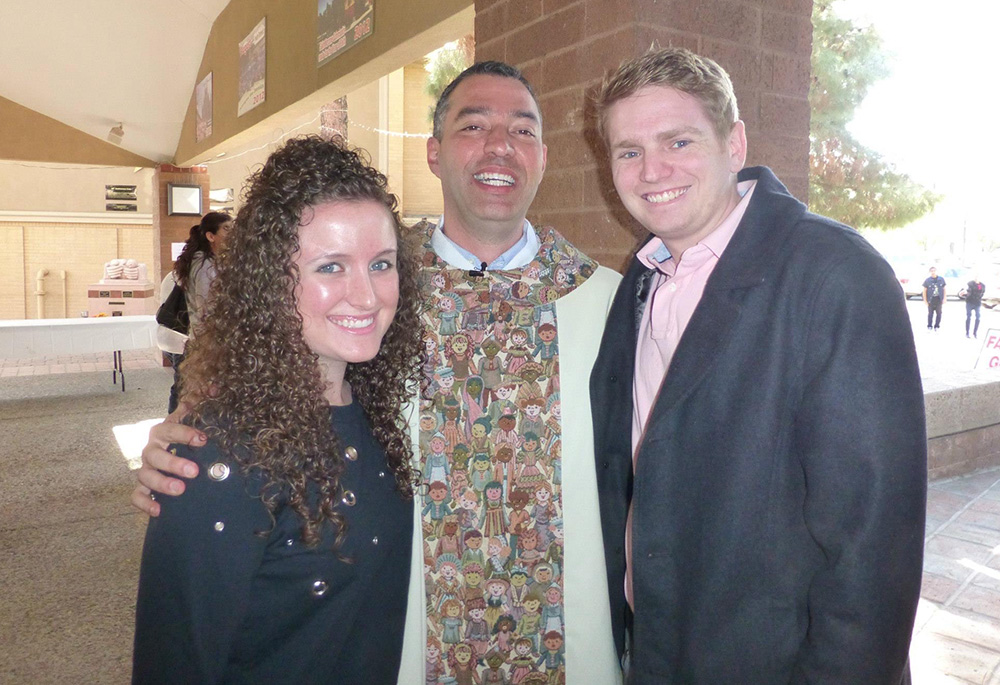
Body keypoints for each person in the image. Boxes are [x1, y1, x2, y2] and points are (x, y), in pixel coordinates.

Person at [132, 62, 623, 684]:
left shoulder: (610, 304)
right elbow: (269, 386)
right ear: (435, 153)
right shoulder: (381, 295)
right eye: (474, 125)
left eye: (522, 131)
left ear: (545, 158)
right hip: (401, 647)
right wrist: (186, 446)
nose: (500, 145)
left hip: (567, 640)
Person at [589, 48, 926, 683]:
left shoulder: (835, 274)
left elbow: (873, 545)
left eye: (678, 140)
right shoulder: (642, 276)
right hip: (658, 650)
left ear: (734, 142)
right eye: (627, 151)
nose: (651, 169)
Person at [132, 136, 422, 683]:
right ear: (270, 283)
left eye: (381, 263)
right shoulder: (215, 457)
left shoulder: (383, 415)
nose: (366, 295)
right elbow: (174, 661)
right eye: (331, 267)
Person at [164, 211, 232, 412]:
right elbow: (206, 308)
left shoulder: (215, 262)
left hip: (209, 340)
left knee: (189, 392)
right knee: (192, 396)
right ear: (211, 236)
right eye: (226, 229)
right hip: (206, 342)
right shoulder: (204, 265)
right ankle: (177, 434)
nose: (233, 234)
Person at [923, 265, 946, 331]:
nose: (933, 272)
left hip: (938, 298)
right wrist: (925, 301)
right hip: (931, 299)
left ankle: (937, 326)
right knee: (930, 313)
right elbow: (924, 291)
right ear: (929, 272)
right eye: (931, 271)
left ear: (936, 271)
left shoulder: (941, 279)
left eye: (934, 271)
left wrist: (944, 298)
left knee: (939, 313)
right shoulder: (927, 280)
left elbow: (944, 289)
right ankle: (929, 325)